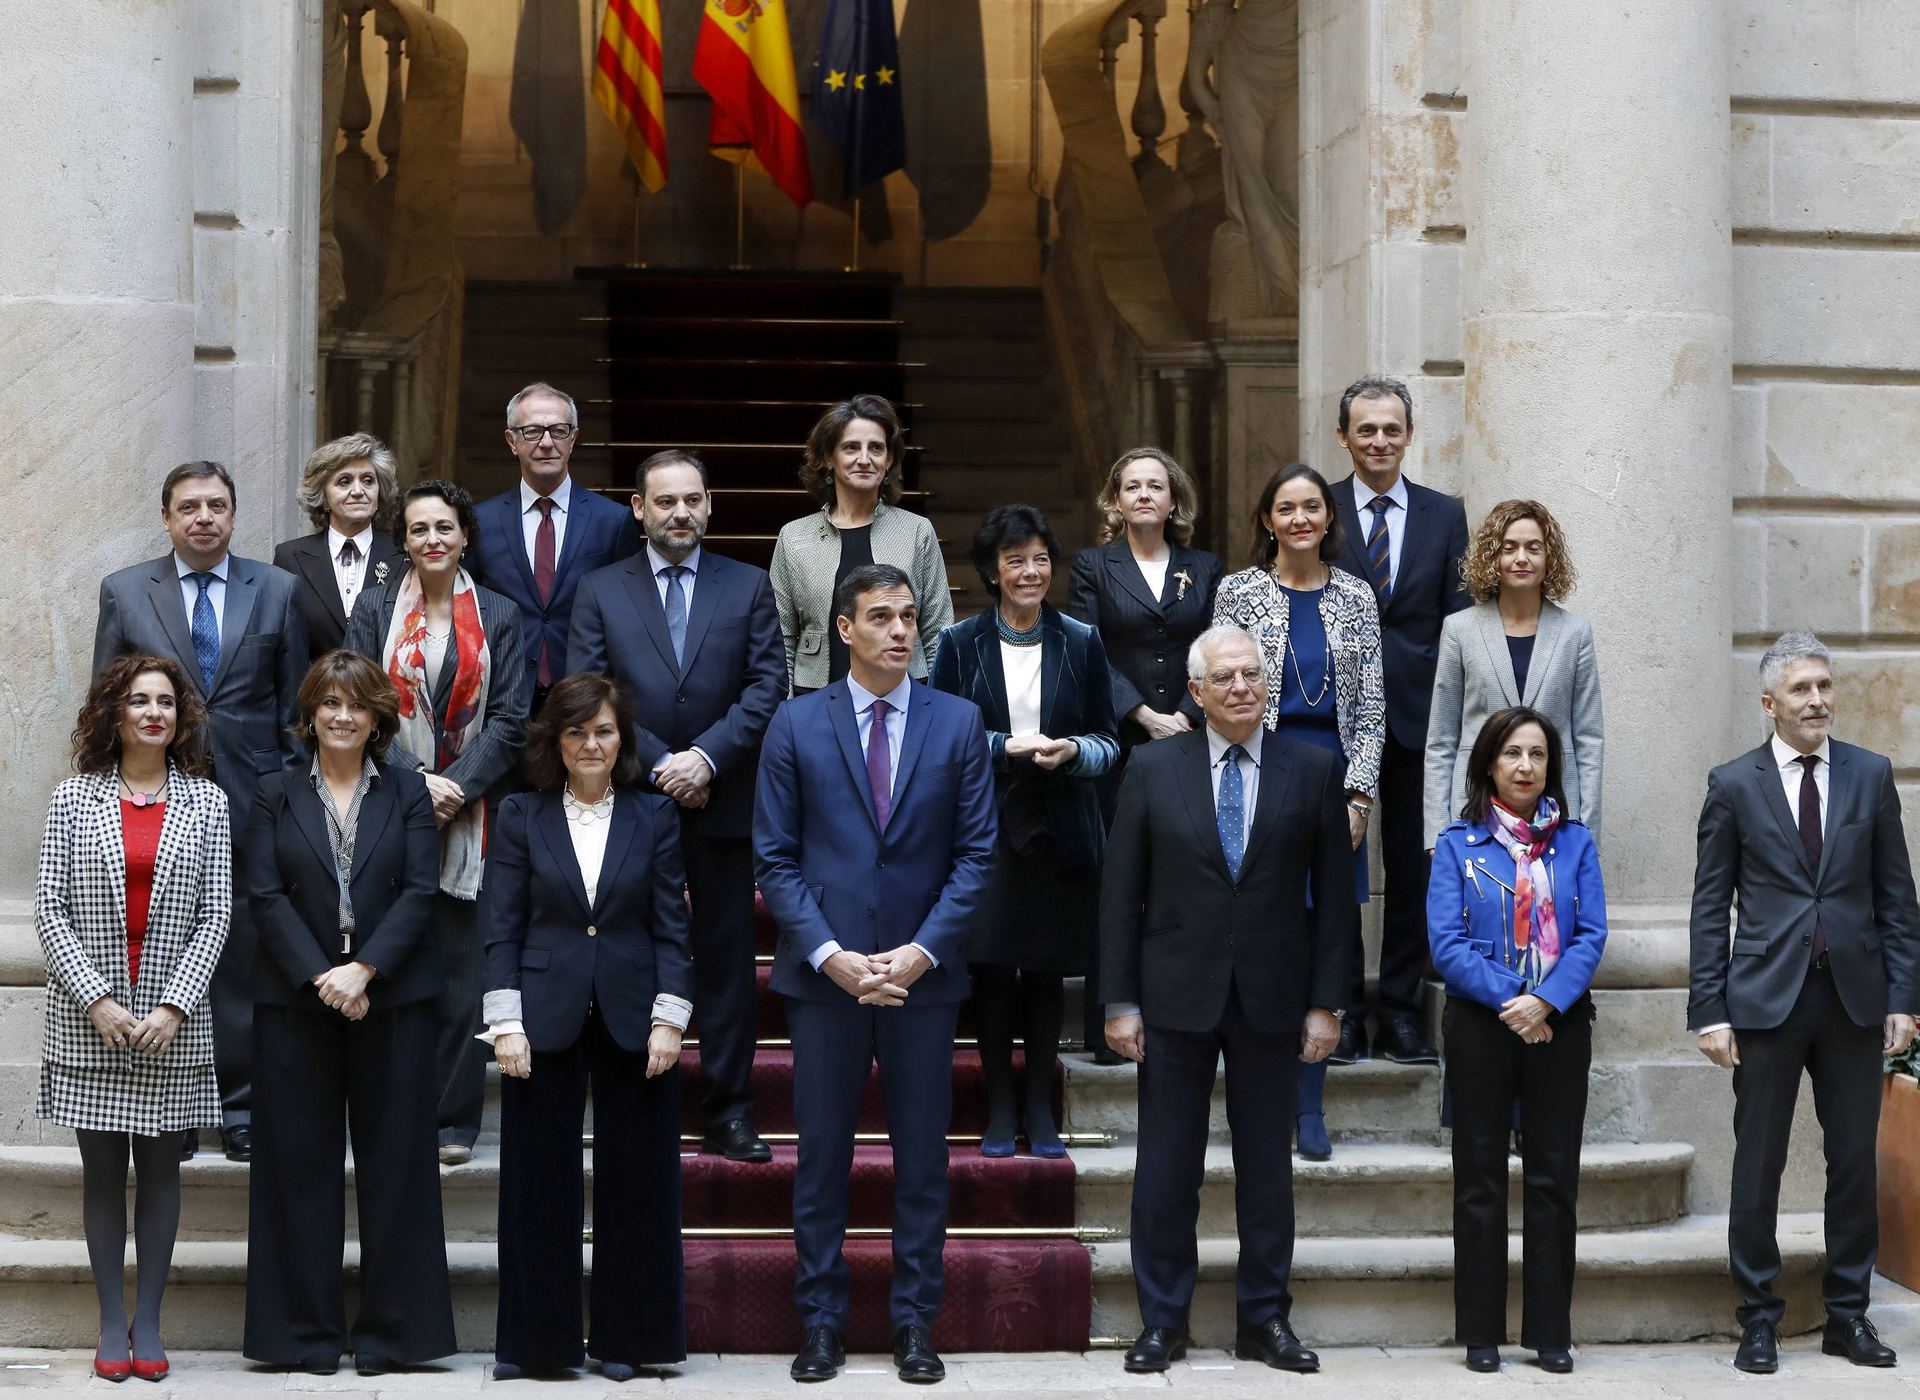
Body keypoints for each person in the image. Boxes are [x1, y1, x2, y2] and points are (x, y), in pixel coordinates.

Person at [754, 563, 996, 1384]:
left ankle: (914, 1323)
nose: (899, 631)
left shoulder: (958, 721)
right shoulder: (795, 723)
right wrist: (832, 955)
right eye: (881, 617)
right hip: (826, 980)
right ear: (844, 629)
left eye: (908, 617)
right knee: (821, 1158)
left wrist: (920, 952)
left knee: (922, 1160)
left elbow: (976, 856)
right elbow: (775, 858)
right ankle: (820, 1322)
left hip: (923, 978)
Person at [1101, 625, 1351, 1376]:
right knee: (1166, 1167)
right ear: (1197, 692)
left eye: (1252, 674)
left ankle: (1265, 1320)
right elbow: (1120, 894)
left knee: (1268, 1169)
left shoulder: (1313, 769)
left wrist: (1328, 1003)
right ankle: (1162, 1321)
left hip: (1274, 997)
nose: (1241, 687)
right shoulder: (1152, 767)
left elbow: (1335, 901)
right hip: (1173, 995)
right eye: (1224, 678)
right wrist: (1118, 1001)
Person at [1689, 631, 1920, 1374]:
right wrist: (1710, 1009)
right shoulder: (1733, 784)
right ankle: (1758, 1317)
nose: (1817, 700)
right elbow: (1709, 907)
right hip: (1764, 1003)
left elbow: (1897, 898)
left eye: (1824, 685)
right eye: (1801, 689)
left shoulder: (1869, 774)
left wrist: (1904, 998)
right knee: (1758, 1163)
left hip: (1854, 1001)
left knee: (1853, 1163)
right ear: (1769, 703)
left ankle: (1847, 1316)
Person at [569, 449, 786, 1163]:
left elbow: (767, 685)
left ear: (710, 504)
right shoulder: (601, 589)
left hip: (724, 800)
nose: (681, 513)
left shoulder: (749, 584)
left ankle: (729, 1110)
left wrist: (707, 758)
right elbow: (589, 690)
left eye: (692, 499)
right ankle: (638, 1102)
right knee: (632, 953)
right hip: (634, 800)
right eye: (665, 502)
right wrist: (664, 762)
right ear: (639, 509)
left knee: (726, 962)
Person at [241, 651, 451, 1377]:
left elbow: (421, 891)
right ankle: (305, 1335)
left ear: (377, 718)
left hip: (392, 998)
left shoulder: (408, 790)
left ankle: (395, 1335)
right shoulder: (273, 791)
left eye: (357, 704)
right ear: (309, 713)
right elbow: (264, 894)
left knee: (398, 1169)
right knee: (298, 1170)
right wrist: (321, 974)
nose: (342, 716)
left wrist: (365, 969)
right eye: (329, 703)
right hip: (295, 1000)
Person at [93, 459, 307, 1162]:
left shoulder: (276, 589)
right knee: (162, 947)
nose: (204, 517)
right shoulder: (126, 591)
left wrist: (288, 794)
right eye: (189, 507)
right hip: (155, 795)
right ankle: (173, 1106)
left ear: (234, 515)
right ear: (166, 518)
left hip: (254, 798)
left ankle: (239, 1107)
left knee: (243, 951)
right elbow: (106, 703)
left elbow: (294, 709)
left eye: (216, 505)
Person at [482, 674, 693, 1382]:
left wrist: (670, 1018)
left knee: (638, 1181)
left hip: (637, 1015)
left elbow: (672, 929)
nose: (591, 744)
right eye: (576, 732)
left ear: (622, 737)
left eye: (603, 730)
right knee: (537, 1182)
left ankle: (629, 1340)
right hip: (542, 1015)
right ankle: (536, 1346)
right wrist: (505, 1022)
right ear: (556, 740)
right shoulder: (520, 813)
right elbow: (502, 927)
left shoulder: (655, 815)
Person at [35, 654, 231, 1382]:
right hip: (90, 1022)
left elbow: (217, 913)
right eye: (140, 701)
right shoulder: (72, 799)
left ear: (180, 718)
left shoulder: (208, 803)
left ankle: (148, 1320)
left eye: (166, 703)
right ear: (114, 714)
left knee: (160, 1174)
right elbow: (49, 909)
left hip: (169, 1027)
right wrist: (98, 999)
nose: (154, 713)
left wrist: (175, 1004)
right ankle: (110, 1322)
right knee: (101, 1175)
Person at [344, 478, 530, 1164]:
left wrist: (454, 788)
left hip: (473, 816)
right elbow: (357, 703)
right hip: (388, 806)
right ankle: (390, 1111)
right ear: (404, 540)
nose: (432, 539)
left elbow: (511, 718)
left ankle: (453, 1119)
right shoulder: (373, 610)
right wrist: (416, 784)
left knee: (461, 969)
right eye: (419, 529)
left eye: (444, 527)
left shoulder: (502, 615)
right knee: (390, 960)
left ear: (464, 536)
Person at [932, 504, 1119, 1156]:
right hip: (986, 826)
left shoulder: (1082, 640)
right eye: (1016, 561)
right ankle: (999, 1109)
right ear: (993, 570)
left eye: (1041, 559)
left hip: (1059, 826)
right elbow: (942, 738)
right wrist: (1003, 746)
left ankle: (1039, 1108)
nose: (1031, 572)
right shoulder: (959, 643)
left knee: (1044, 973)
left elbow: (1108, 741)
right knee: (992, 970)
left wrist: (1072, 751)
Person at [1428, 707, 1607, 1375]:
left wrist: (1546, 1001)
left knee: (1553, 1179)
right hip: (1483, 1024)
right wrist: (1515, 999)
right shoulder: (1457, 844)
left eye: (1537, 754)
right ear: (1489, 764)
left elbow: (1591, 934)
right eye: (1512, 754)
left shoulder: (1576, 844)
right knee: (1479, 1180)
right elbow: (1446, 943)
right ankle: (1481, 1332)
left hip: (1559, 1023)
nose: (1526, 766)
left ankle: (1550, 1332)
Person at [1212, 464, 1382, 1162]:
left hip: (1333, 781)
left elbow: (1372, 709)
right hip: (1262, 774)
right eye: (1286, 508)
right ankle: (1267, 1094)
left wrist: (1359, 796)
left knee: (1325, 936)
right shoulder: (1238, 592)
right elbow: (1223, 692)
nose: (1301, 518)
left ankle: (1311, 1101)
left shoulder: (1356, 595)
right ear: (1268, 519)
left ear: (1328, 517)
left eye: (1312, 506)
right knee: (1264, 932)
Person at [1325, 377, 1470, 1066]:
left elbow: (1460, 618)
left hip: (1421, 712)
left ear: (1409, 435)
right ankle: (1343, 1009)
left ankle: (1402, 1011)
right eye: (1366, 429)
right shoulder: (1316, 507)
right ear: (1344, 437)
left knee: (1413, 865)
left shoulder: (1446, 515)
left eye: (1391, 429)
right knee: (1337, 862)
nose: (1379, 441)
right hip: (1333, 714)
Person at [1066, 448, 1221, 1062]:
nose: (1145, 495)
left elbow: (1215, 643)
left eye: (1156, 486)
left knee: (1183, 875)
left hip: (1190, 736)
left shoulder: (1203, 567)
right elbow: (1086, 649)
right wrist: (1142, 713)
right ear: (1116, 500)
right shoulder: (1093, 566)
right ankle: (1109, 1022)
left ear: (1174, 499)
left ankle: (1182, 1014)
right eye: (1132, 487)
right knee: (1117, 878)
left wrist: (1186, 711)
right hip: (1121, 743)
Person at [1425, 500, 1603, 847]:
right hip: (1474, 809)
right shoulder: (1459, 630)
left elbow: (1589, 740)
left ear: (1549, 558)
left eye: (1533, 548)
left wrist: (1588, 832)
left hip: (1557, 813)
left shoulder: (1575, 634)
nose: (1521, 558)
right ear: (1493, 557)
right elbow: (1441, 740)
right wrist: (1437, 835)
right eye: (1509, 548)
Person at [466, 382, 639, 714]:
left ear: (573, 438)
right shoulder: (479, 522)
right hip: (500, 698)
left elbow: (628, 617)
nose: (547, 442)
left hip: (585, 699)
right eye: (532, 431)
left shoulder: (613, 521)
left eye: (559, 430)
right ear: (511, 441)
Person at [769, 394, 953, 693]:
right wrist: (788, 707)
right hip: (815, 695)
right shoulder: (794, 537)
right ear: (828, 458)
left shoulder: (917, 530)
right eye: (851, 447)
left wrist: (937, 705)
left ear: (889, 460)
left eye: (876, 448)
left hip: (907, 696)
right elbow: (782, 637)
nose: (865, 459)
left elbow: (937, 632)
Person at [273, 433, 407, 666]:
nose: (358, 491)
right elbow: (283, 647)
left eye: (368, 481)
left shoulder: (404, 555)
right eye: (344, 482)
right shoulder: (290, 558)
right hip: (316, 688)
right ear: (324, 496)